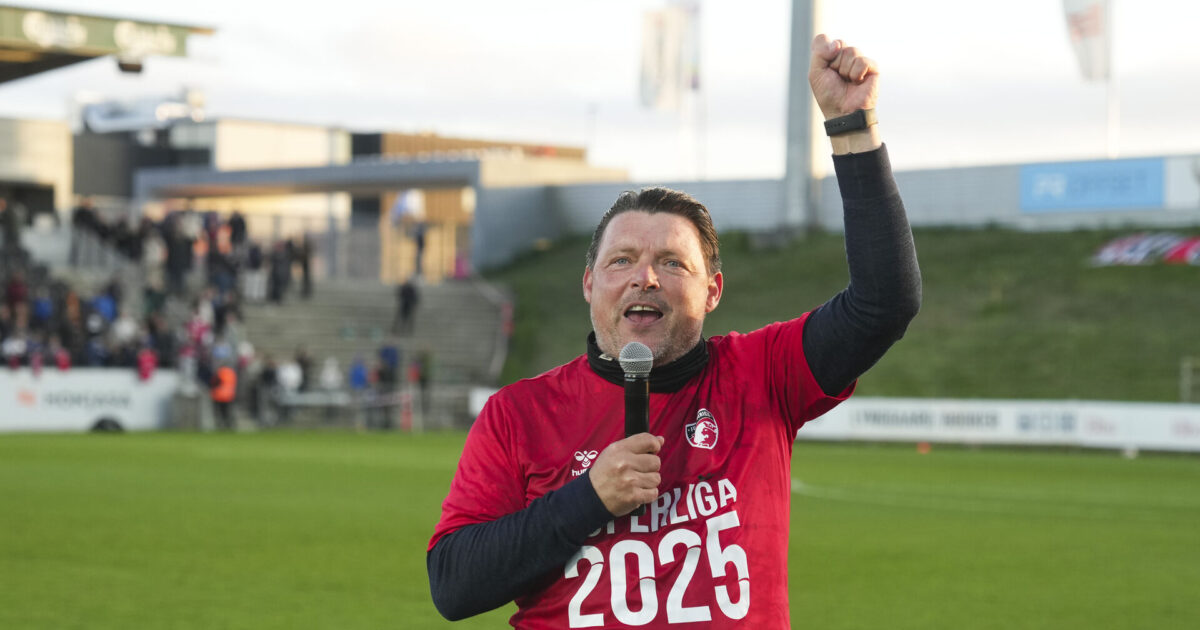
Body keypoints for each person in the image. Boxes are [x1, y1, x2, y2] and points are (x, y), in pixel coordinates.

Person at [427, 35, 922, 628]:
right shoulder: (519, 415)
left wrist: (852, 128)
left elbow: (884, 302)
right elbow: (454, 585)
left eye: (672, 263)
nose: (645, 278)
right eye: (622, 261)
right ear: (589, 284)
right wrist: (588, 498)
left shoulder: (763, 375)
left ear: (712, 291)